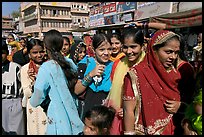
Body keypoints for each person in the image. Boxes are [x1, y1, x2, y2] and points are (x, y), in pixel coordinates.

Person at [123, 30, 181, 135]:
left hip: (174, 128)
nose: (173, 57)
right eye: (168, 52)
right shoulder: (136, 74)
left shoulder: (175, 73)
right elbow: (128, 110)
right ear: (154, 50)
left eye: (176, 52)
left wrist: (180, 106)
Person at [29, 29, 84, 135]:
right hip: (74, 113)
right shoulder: (70, 63)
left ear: (45, 47)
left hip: (58, 119)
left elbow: (36, 100)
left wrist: (33, 87)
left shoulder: (46, 67)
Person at [103, 27, 146, 135]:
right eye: (126, 47)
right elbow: (113, 91)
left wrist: (130, 109)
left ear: (142, 46)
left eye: (133, 47)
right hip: (118, 118)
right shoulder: (118, 64)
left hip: (141, 120)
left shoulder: (147, 66)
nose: (129, 51)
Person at [74, 33, 113, 120]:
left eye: (109, 49)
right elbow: (76, 91)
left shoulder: (114, 66)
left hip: (106, 114)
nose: (106, 53)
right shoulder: (85, 64)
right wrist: (91, 74)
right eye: (102, 49)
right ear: (94, 49)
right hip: (88, 112)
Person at [20, 39, 47, 135]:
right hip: (33, 108)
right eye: (35, 52)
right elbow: (27, 93)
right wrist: (33, 82)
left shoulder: (48, 67)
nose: (39, 55)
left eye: (41, 52)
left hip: (48, 108)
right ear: (29, 54)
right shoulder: (25, 69)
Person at [2, 40, 26, 135]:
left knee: (16, 131)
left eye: (2, 53)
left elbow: (23, 85)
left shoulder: (15, 67)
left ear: (7, 53)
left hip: (14, 103)